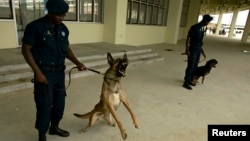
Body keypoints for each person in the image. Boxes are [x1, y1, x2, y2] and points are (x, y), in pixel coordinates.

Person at [21, 0, 87, 141]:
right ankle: (42, 135)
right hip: (44, 73)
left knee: (59, 104)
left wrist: (77, 62)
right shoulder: (35, 27)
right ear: (50, 12)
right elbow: (26, 50)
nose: (62, 18)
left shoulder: (63, 29)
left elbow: (66, 49)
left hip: (59, 73)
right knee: (44, 105)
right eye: (59, 15)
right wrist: (38, 73)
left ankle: (54, 127)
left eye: (63, 15)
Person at [183, 14, 213, 90]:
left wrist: (202, 52)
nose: (207, 23)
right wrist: (187, 50)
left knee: (195, 66)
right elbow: (188, 39)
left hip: (198, 49)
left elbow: (200, 42)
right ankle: (186, 82)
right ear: (204, 20)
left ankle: (190, 79)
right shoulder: (194, 27)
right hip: (193, 48)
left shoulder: (202, 28)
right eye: (207, 21)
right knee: (191, 65)